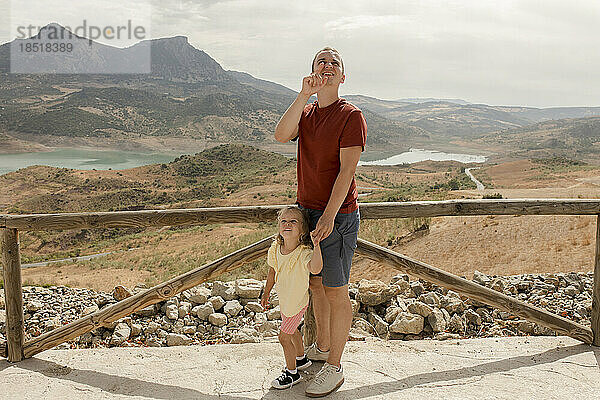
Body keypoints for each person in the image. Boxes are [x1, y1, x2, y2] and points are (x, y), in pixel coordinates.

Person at [274, 47, 367, 397]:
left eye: (334, 63)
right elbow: (282, 135)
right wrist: (303, 95)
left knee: (335, 290)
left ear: (343, 77)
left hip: (337, 216)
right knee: (315, 286)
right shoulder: (308, 111)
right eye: (320, 62)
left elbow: (347, 171)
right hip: (307, 212)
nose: (327, 66)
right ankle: (323, 347)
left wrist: (329, 215)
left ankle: (335, 368)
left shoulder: (350, 115)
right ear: (313, 72)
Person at [261, 206, 323, 390]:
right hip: (285, 300)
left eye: (293, 221)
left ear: (303, 230)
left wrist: (317, 245)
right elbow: (272, 271)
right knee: (293, 329)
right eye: (283, 221)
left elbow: (315, 268)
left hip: (296, 302)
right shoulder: (276, 249)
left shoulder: (303, 253)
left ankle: (292, 373)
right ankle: (301, 359)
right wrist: (266, 292)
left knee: (284, 337)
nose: (287, 224)